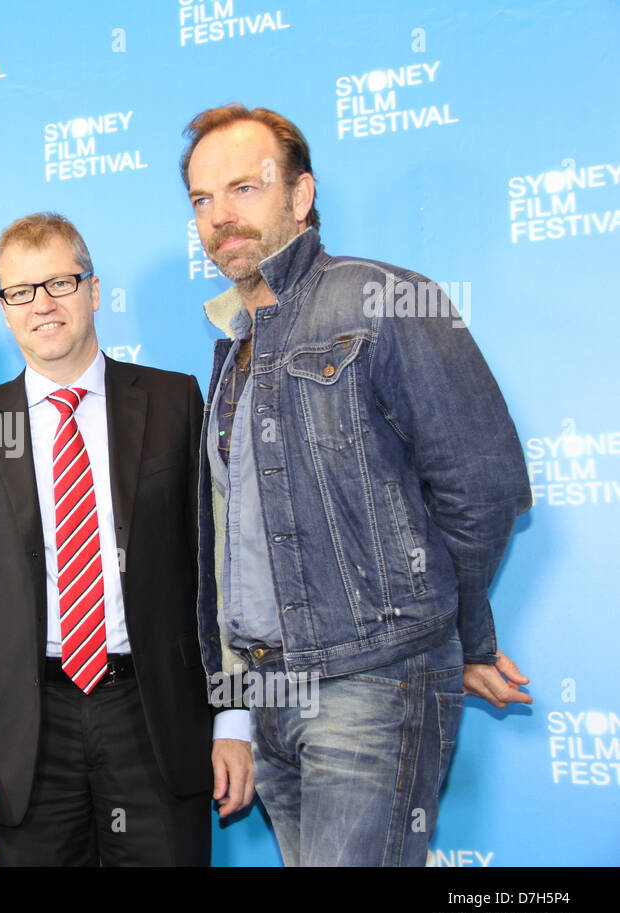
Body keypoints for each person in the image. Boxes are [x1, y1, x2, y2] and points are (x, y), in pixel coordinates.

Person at [181, 104, 533, 866]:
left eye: (243, 188)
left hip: (370, 682)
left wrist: (459, 631)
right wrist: (234, 703)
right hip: (270, 697)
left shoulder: (380, 299)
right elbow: (233, 548)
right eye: (202, 199)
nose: (219, 216)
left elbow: (483, 485)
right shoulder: (233, 348)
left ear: (301, 195)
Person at [0, 212, 252, 866]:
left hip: (156, 716)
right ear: (4, 309)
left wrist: (235, 716)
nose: (42, 304)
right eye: (21, 291)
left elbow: (223, 567)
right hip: (23, 728)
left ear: (94, 291)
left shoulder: (174, 402)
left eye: (60, 283)